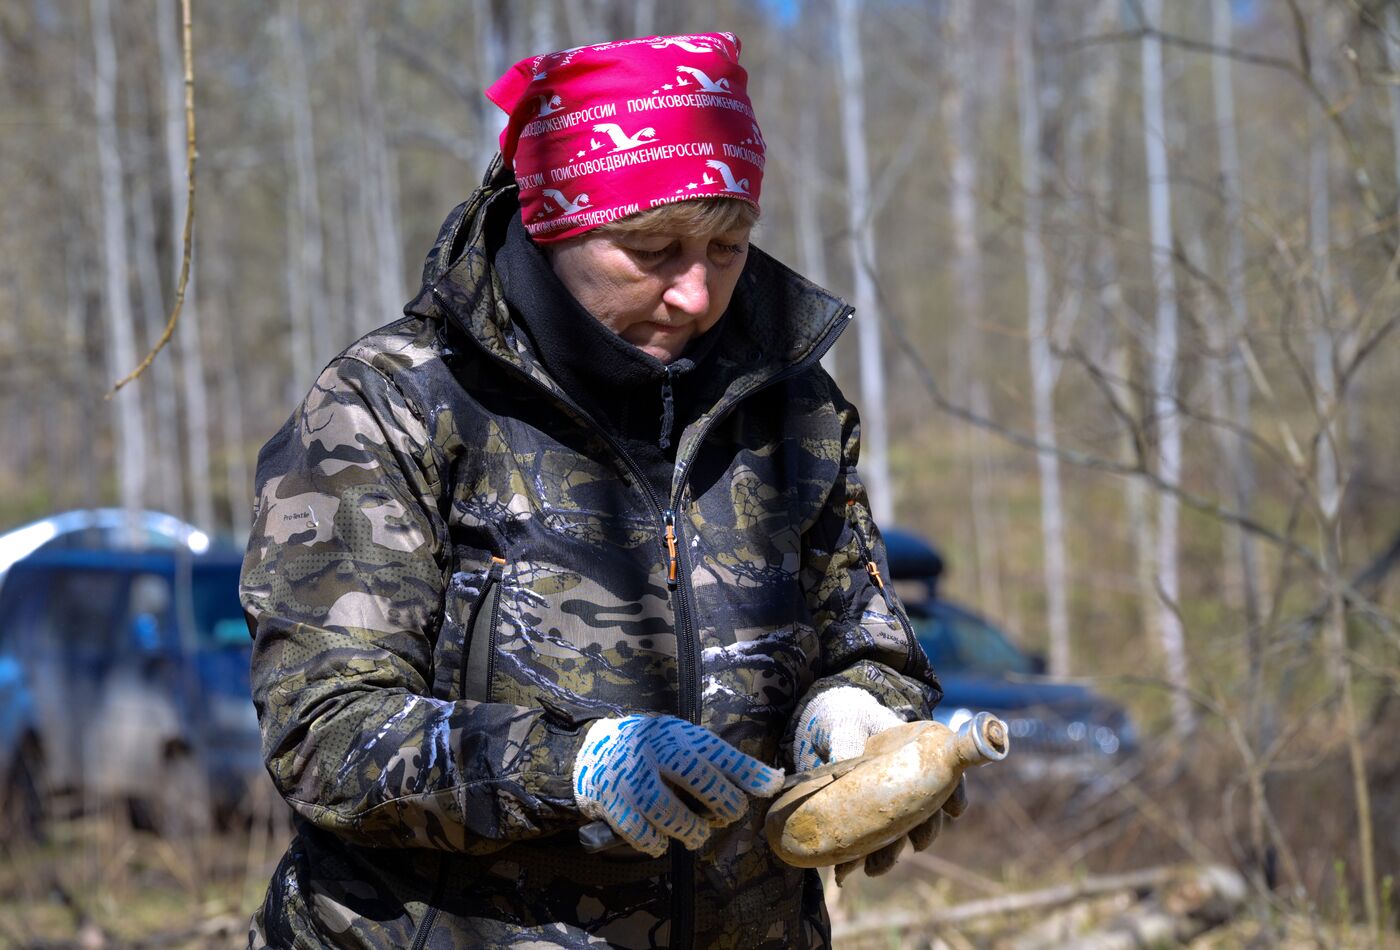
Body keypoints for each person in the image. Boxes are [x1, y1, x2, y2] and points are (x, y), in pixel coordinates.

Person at [240, 31, 955, 949]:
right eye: (651, 248)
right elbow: (324, 732)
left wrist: (861, 715)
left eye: (729, 247)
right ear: (554, 224)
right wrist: (572, 767)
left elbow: (868, 639)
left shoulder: (792, 410)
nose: (695, 293)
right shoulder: (392, 405)